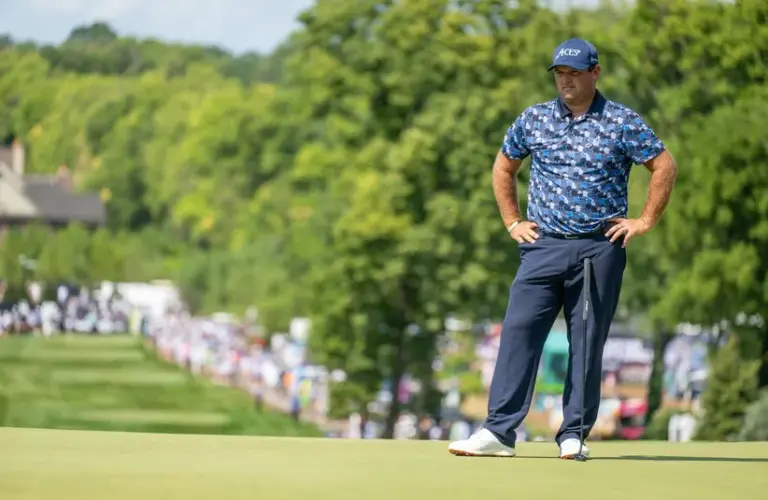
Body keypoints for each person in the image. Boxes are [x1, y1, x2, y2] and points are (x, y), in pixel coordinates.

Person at [448, 38, 677, 459]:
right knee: (518, 332)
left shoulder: (621, 121)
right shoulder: (534, 119)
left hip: (599, 248)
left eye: (574, 73)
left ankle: (573, 433)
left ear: (595, 73)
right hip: (542, 246)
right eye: (560, 74)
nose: (566, 81)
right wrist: (512, 221)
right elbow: (504, 165)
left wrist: (644, 221)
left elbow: (663, 164)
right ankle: (498, 432)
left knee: (586, 341)